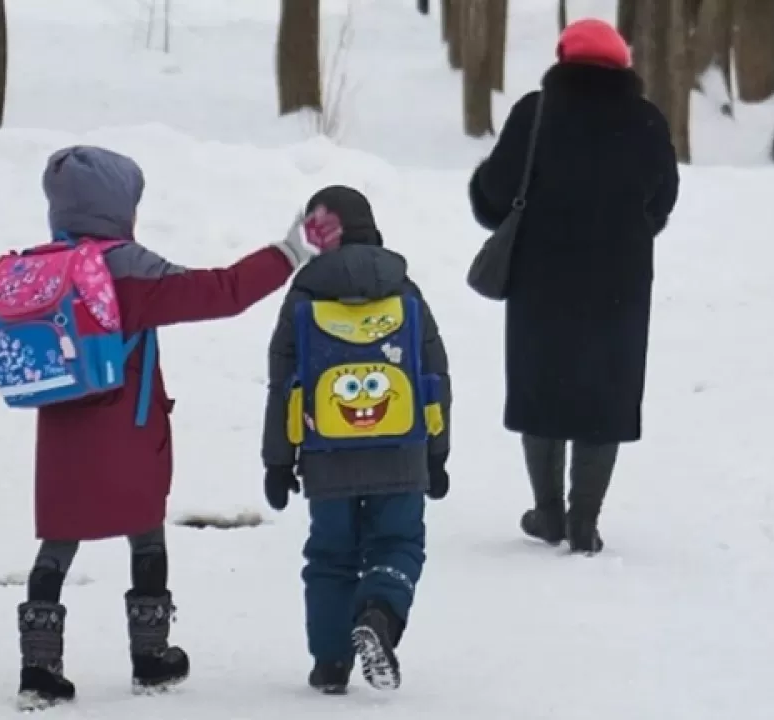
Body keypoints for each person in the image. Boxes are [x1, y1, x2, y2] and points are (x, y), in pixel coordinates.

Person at [15, 146, 340, 710]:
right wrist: (290, 252)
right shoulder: (128, 270)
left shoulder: (43, 271)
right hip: (127, 428)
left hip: (62, 434)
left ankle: (39, 668)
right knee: (145, 528)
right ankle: (151, 656)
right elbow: (223, 291)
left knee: (59, 539)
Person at [466, 18, 679, 554]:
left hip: (542, 278)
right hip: (620, 281)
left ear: (563, 59)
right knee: (605, 391)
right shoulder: (647, 121)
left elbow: (494, 194)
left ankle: (548, 513)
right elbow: (663, 198)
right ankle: (585, 520)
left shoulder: (535, 114)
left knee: (543, 386)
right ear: (623, 64)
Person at [260, 186, 451, 693]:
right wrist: (438, 452)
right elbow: (434, 372)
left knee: (330, 555)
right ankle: (380, 613)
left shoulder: (304, 294)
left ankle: (329, 663)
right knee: (400, 541)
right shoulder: (402, 288)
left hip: (326, 454)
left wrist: (278, 461)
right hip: (401, 446)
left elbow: (283, 385)